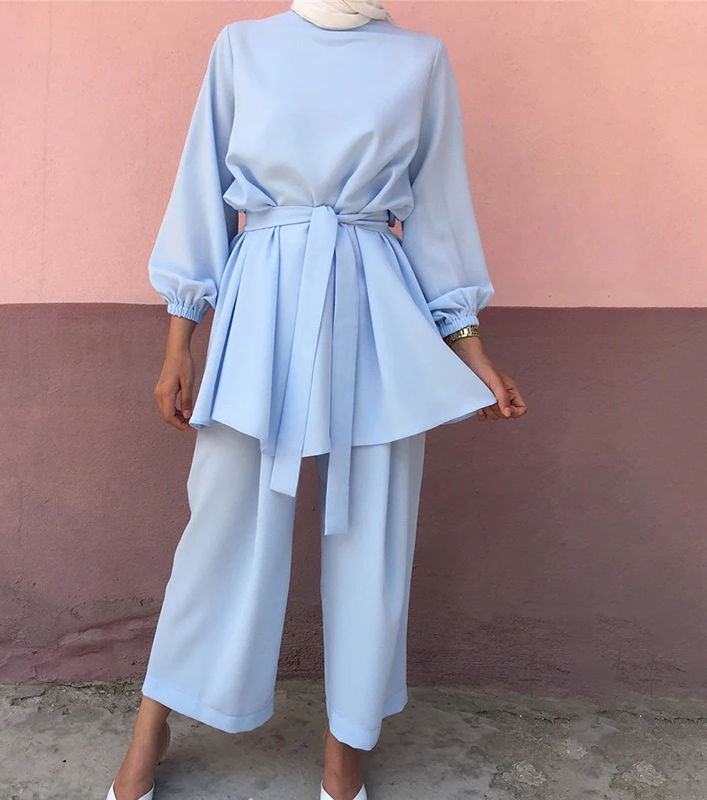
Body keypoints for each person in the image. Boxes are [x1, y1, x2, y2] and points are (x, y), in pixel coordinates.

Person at [105, 1, 527, 799]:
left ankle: (346, 747)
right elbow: (202, 188)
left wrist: (469, 346)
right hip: (260, 301)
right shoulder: (242, 47)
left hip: (376, 307)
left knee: (374, 534)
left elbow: (438, 214)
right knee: (220, 526)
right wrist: (179, 337)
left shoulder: (421, 60)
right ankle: (153, 724)